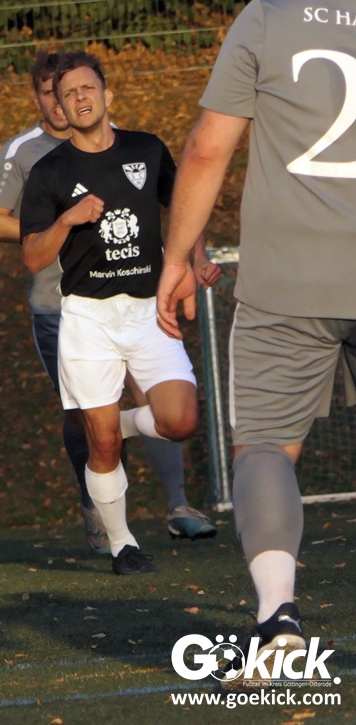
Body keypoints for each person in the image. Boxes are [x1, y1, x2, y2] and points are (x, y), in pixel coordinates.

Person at [157, 0, 356, 662]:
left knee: (265, 447)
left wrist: (177, 259)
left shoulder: (267, 18)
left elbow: (207, 148)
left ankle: (278, 617)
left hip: (288, 278)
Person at [0, 52, 218, 555]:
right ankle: (120, 540)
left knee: (179, 420)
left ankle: (128, 443)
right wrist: (66, 220)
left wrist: (195, 260)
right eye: (67, 93)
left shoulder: (146, 149)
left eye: (87, 88)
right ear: (55, 105)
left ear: (108, 95)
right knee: (97, 439)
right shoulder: (44, 167)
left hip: (147, 308)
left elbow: (182, 205)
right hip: (82, 314)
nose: (78, 98)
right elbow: (29, 253)